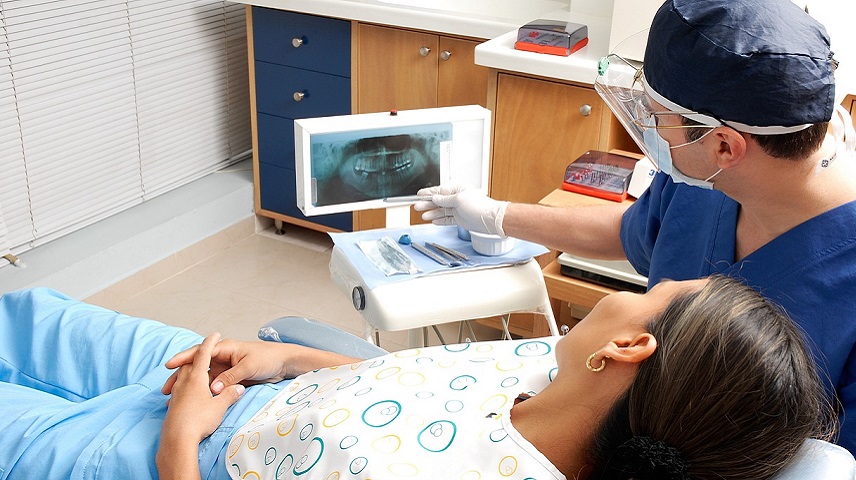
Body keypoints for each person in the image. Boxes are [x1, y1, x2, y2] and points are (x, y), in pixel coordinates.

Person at [415, 0, 856, 453]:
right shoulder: (703, 181)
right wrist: (497, 215)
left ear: (724, 144)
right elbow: (630, 232)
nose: (647, 133)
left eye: (656, 119)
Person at [0, 277, 836, 479]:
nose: (625, 294)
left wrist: (181, 436)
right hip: (238, 380)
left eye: (651, 293)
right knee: (31, 313)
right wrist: (283, 359)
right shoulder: (546, 368)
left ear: (628, 352)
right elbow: (403, 378)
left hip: (173, 455)